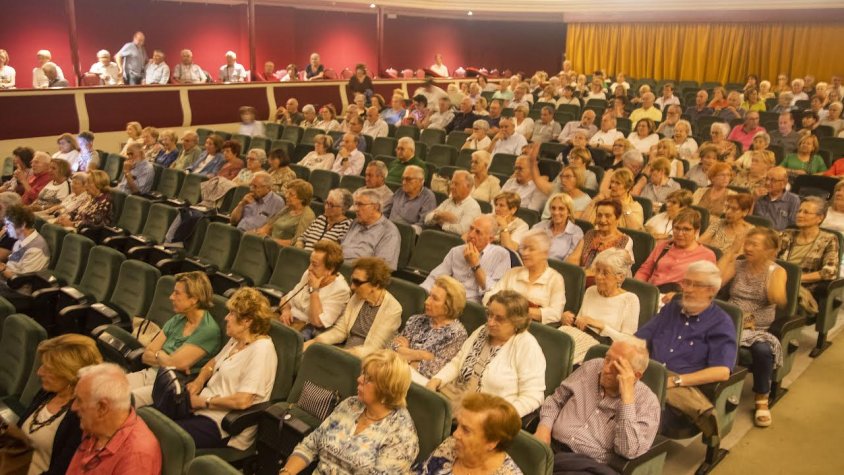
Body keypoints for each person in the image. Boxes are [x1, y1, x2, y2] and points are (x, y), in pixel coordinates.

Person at [636, 261, 737, 439]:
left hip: (678, 397)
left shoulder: (721, 323)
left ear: (711, 291)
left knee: (634, 411)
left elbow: (722, 372)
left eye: (696, 285)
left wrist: (676, 381)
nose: (688, 290)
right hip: (648, 377)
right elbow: (641, 339)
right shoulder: (672, 309)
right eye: (686, 283)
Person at [169, 288, 277, 450]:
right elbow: (213, 362)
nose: (226, 318)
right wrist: (199, 381)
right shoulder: (237, 339)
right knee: (153, 419)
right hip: (201, 407)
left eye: (232, 314)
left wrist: (205, 402)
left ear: (247, 321)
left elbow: (242, 401)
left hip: (222, 425)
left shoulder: (262, 350)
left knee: (167, 437)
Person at [280, 350, 418, 474]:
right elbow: (311, 445)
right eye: (363, 373)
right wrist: (286, 472)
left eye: (368, 379)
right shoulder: (351, 404)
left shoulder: (401, 435)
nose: (359, 379)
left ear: (386, 390)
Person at [536, 340, 659, 471]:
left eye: (617, 366)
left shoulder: (648, 403)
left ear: (635, 375)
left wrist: (627, 399)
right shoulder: (591, 367)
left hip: (586, 466)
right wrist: (544, 428)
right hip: (549, 446)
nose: (605, 369)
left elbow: (628, 450)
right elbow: (556, 399)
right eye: (607, 358)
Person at [427, 290, 546, 417]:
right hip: (456, 398)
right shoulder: (483, 330)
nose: (490, 322)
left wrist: (499, 417)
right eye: (490, 314)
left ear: (516, 322)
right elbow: (458, 361)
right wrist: (436, 380)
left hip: (486, 415)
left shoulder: (527, 346)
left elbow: (533, 396)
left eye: (499, 318)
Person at [718, 227, 787, 427]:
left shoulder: (777, 271)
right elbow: (715, 282)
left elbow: (778, 299)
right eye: (747, 243)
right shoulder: (739, 265)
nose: (748, 248)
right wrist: (732, 251)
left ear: (770, 250)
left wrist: (769, 274)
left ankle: (762, 399)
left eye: (754, 245)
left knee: (762, 349)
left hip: (757, 328)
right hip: (730, 320)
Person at [127, 272, 221, 406]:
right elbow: (146, 355)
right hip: (150, 373)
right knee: (106, 386)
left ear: (194, 299)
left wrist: (159, 355)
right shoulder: (178, 319)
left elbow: (177, 364)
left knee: (122, 401)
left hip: (168, 386)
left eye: (177, 293)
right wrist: (163, 356)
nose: (171, 297)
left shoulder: (208, 330)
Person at [13, 335, 102, 475]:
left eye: (48, 369)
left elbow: (62, 471)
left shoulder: (82, 416)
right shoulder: (47, 393)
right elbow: (17, 438)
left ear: (70, 374)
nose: (39, 372)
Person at [67, 363, 161, 473]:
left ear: (102, 408)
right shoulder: (95, 428)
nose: (73, 407)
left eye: (79, 400)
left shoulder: (136, 456)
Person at [305, 257, 401, 357]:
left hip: (368, 362)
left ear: (375, 285)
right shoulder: (357, 297)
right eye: (352, 280)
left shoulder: (393, 309)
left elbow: (374, 348)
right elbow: (341, 330)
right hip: (347, 352)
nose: (352, 287)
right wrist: (315, 341)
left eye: (358, 282)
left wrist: (339, 355)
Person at [561, 249, 640, 363]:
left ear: (620, 277)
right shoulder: (591, 291)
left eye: (605, 273)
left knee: (563, 359)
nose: (598, 276)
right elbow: (580, 323)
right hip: (581, 341)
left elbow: (628, 343)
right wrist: (567, 319)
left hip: (602, 353)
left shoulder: (630, 300)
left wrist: (602, 327)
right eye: (597, 270)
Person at [418, 393, 523, 475]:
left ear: (492, 442)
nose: (455, 434)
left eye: (466, 430)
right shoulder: (451, 445)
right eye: (458, 425)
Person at [393, 275, 468, 383]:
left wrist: (405, 352)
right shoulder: (417, 320)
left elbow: (431, 370)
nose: (427, 302)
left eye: (435, 299)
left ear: (449, 306)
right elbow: (393, 347)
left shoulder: (456, 334)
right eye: (429, 296)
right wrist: (421, 355)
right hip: (396, 374)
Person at [484, 230, 565, 324]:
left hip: (535, 329)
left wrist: (516, 309)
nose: (525, 253)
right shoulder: (512, 273)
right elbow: (489, 296)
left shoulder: (555, 279)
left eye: (531, 249)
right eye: (524, 248)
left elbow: (555, 313)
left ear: (545, 254)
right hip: (502, 323)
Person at [778, 197, 840, 315]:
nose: (800, 215)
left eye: (806, 212)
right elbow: (772, 259)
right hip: (778, 281)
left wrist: (796, 279)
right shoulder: (787, 234)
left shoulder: (829, 239)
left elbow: (829, 271)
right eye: (799, 211)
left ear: (820, 218)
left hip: (804, 289)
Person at [278, 239, 350, 340]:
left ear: (330, 269)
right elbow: (286, 299)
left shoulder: (341, 290)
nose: (309, 268)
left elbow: (317, 322)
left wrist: (314, 291)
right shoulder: (309, 273)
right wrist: (285, 311)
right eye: (310, 262)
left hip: (306, 331)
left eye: (315, 264)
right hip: (289, 322)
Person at [636, 208, 717, 297]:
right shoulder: (663, 246)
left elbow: (704, 288)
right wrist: (638, 289)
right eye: (676, 228)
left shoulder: (706, 255)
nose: (680, 233)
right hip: (652, 294)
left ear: (696, 231)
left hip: (680, 299)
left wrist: (679, 296)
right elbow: (644, 271)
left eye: (686, 229)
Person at [341, 189, 401, 269]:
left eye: (360, 204)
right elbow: (342, 246)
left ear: (375, 207)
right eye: (356, 204)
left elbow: (383, 267)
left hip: (358, 273)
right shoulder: (356, 222)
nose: (356, 209)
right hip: (338, 266)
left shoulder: (389, 232)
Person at [255, 179, 315, 246]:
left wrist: (270, 241)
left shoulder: (308, 216)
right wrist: (258, 234)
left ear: (302, 198)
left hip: (284, 250)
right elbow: (269, 225)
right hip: (269, 244)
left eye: (291, 194)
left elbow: (296, 242)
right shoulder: (287, 208)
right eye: (286, 192)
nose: (286, 196)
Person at [424, 170, 482, 235]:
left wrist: (442, 225)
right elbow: (427, 219)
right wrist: (437, 216)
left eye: (456, 184)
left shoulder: (473, 207)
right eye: (452, 183)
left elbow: (462, 231)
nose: (452, 187)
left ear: (468, 187)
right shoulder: (448, 201)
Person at [0, 205, 50, 279]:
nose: (6, 229)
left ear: (23, 225)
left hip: (15, 288)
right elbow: (13, 266)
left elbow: (24, 282)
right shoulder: (19, 241)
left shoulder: (35, 250)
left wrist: (3, 269)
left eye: (8, 225)